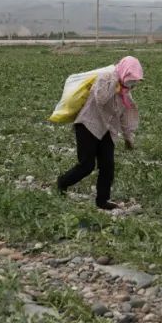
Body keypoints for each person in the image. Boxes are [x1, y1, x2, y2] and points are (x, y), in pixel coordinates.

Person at [57, 56, 142, 210]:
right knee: (87, 165)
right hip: (88, 125)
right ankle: (62, 183)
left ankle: (102, 201)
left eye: (134, 81)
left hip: (107, 131)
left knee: (107, 166)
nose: (132, 84)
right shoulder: (106, 78)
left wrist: (129, 138)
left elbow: (126, 117)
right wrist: (114, 82)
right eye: (130, 79)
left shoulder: (125, 93)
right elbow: (100, 98)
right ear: (123, 73)